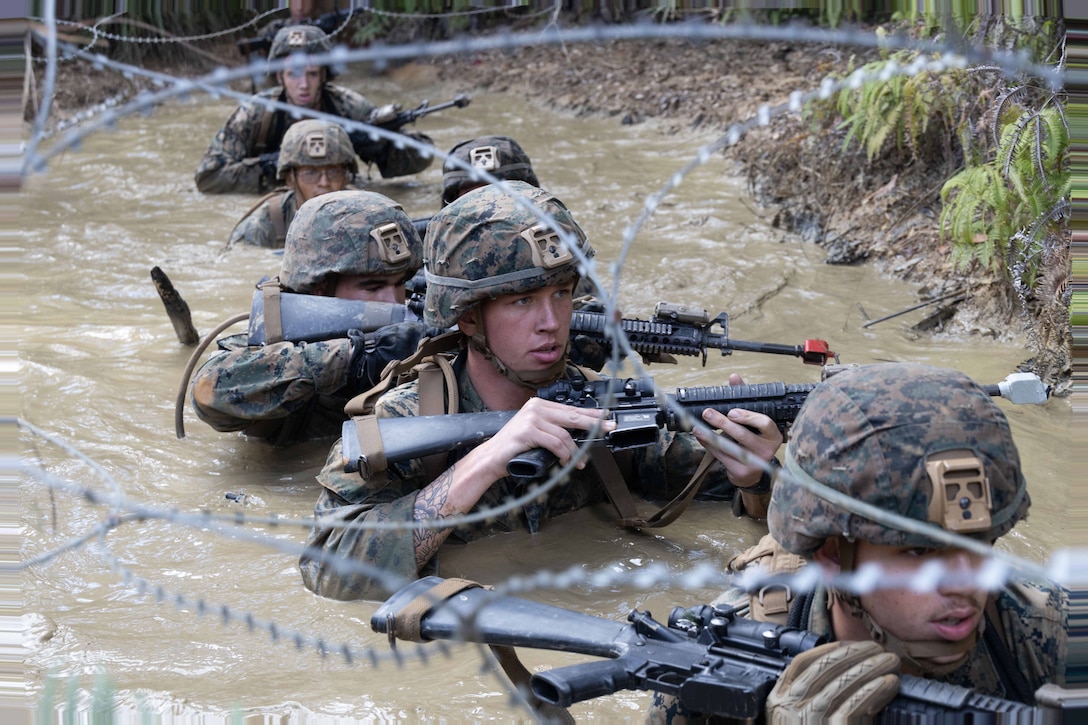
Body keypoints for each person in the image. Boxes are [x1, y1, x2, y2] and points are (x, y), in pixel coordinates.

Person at [298, 181, 785, 601]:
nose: (551, 323)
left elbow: (757, 517)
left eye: (561, 294)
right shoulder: (405, 423)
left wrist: (756, 481)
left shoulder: (603, 407)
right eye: (522, 301)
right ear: (468, 316)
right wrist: (484, 462)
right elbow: (328, 573)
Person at [652, 363, 1067, 722]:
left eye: (979, 544)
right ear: (834, 554)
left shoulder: (1045, 631)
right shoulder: (719, 666)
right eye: (919, 552)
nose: (965, 582)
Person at [189, 190, 427, 446]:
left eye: (400, 283)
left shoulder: (416, 325)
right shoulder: (277, 343)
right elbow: (207, 392)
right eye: (372, 287)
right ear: (319, 290)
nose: (393, 301)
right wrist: (354, 357)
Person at [195, 24, 433, 195]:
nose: (304, 85)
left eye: (312, 74)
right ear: (280, 76)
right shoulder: (256, 113)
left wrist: (379, 147)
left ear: (324, 75)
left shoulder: (348, 107)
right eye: (294, 74)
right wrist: (270, 167)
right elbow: (208, 178)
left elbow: (422, 157)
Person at [228, 119, 357, 249]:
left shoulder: (365, 214)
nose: (324, 182)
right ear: (290, 179)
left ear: (346, 176)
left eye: (334, 171)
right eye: (310, 173)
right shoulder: (266, 223)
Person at [411, 134, 541, 237]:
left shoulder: (555, 235)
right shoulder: (437, 253)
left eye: (498, 194)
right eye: (471, 198)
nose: (487, 207)